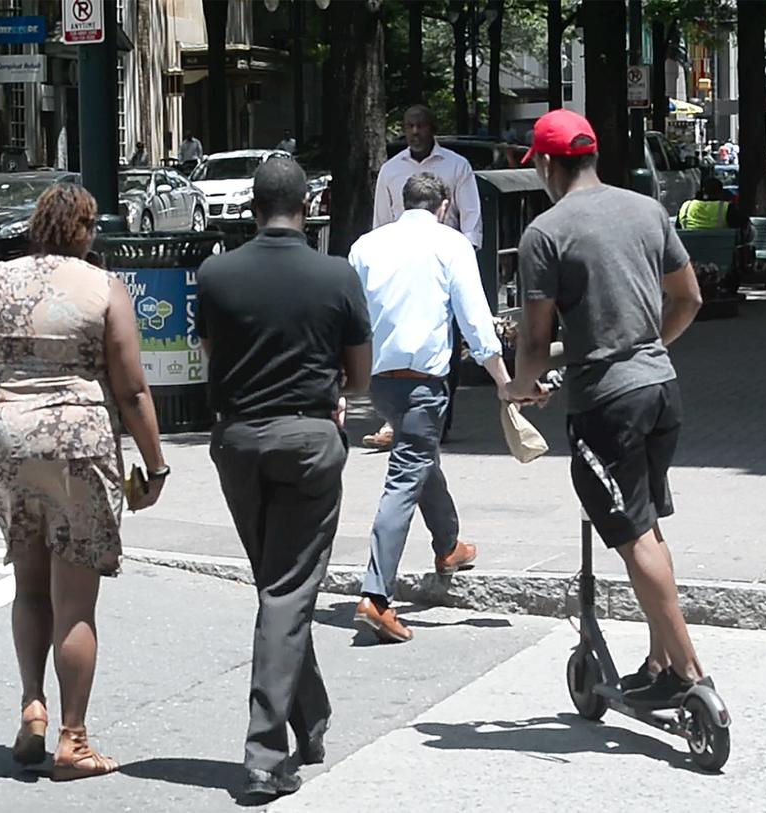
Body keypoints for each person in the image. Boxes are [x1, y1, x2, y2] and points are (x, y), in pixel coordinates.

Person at [0, 183, 168, 780]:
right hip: (77, 439)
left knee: (29, 584)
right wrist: (155, 464)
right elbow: (130, 388)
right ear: (85, 229)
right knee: (75, 601)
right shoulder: (103, 287)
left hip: (5, 439)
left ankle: (32, 707)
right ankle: (73, 741)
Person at [506, 109, 713, 708]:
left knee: (630, 535)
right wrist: (645, 346)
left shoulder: (545, 233)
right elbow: (689, 297)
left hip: (606, 404)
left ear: (546, 163)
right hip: (661, 388)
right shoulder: (647, 210)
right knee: (646, 525)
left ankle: (691, 671)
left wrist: (522, 387)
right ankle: (657, 660)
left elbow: (536, 339)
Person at [196, 157, 372, 800]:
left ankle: (313, 717)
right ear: (307, 204)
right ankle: (266, 752)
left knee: (277, 585)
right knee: (288, 590)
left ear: (251, 205)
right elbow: (357, 377)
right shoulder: (336, 275)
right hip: (308, 441)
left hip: (238, 441)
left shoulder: (215, 273)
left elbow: (213, 355)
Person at [349, 172, 511, 644]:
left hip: (380, 383)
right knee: (405, 478)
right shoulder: (452, 244)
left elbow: (352, 315)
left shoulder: (366, 246)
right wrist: (502, 379)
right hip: (424, 383)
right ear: (443, 207)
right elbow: (475, 318)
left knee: (419, 460)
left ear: (403, 204)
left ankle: (448, 546)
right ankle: (376, 596)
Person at [367, 105, 483, 450]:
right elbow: (381, 222)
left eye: (420, 126)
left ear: (432, 128)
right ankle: (403, 418)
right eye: (409, 126)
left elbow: (472, 219)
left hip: (443, 263)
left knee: (444, 339)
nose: (415, 132)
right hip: (401, 266)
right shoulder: (391, 170)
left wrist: (465, 260)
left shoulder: (456, 166)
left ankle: (439, 420)